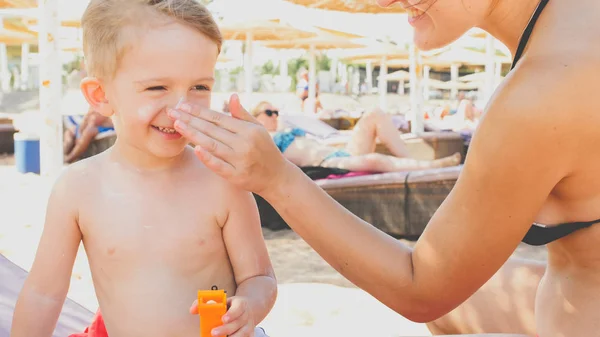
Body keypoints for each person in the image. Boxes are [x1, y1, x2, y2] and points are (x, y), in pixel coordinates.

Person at [169, 0, 600, 336]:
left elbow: (420, 289)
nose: (383, 3)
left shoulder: (540, 91)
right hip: (571, 287)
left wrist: (277, 178)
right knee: (459, 307)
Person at [11, 1, 276, 337]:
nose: (182, 108)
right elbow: (43, 294)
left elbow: (260, 277)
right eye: (157, 87)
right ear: (101, 95)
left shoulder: (222, 182)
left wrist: (249, 306)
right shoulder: (78, 190)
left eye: (200, 87)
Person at [251, 101, 461, 172]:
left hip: (338, 153)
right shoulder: (261, 139)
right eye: (269, 113)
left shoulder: (285, 129)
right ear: (256, 117)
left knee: (375, 114)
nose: (275, 116)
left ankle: (411, 164)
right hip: (328, 162)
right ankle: (433, 166)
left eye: (276, 112)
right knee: (374, 160)